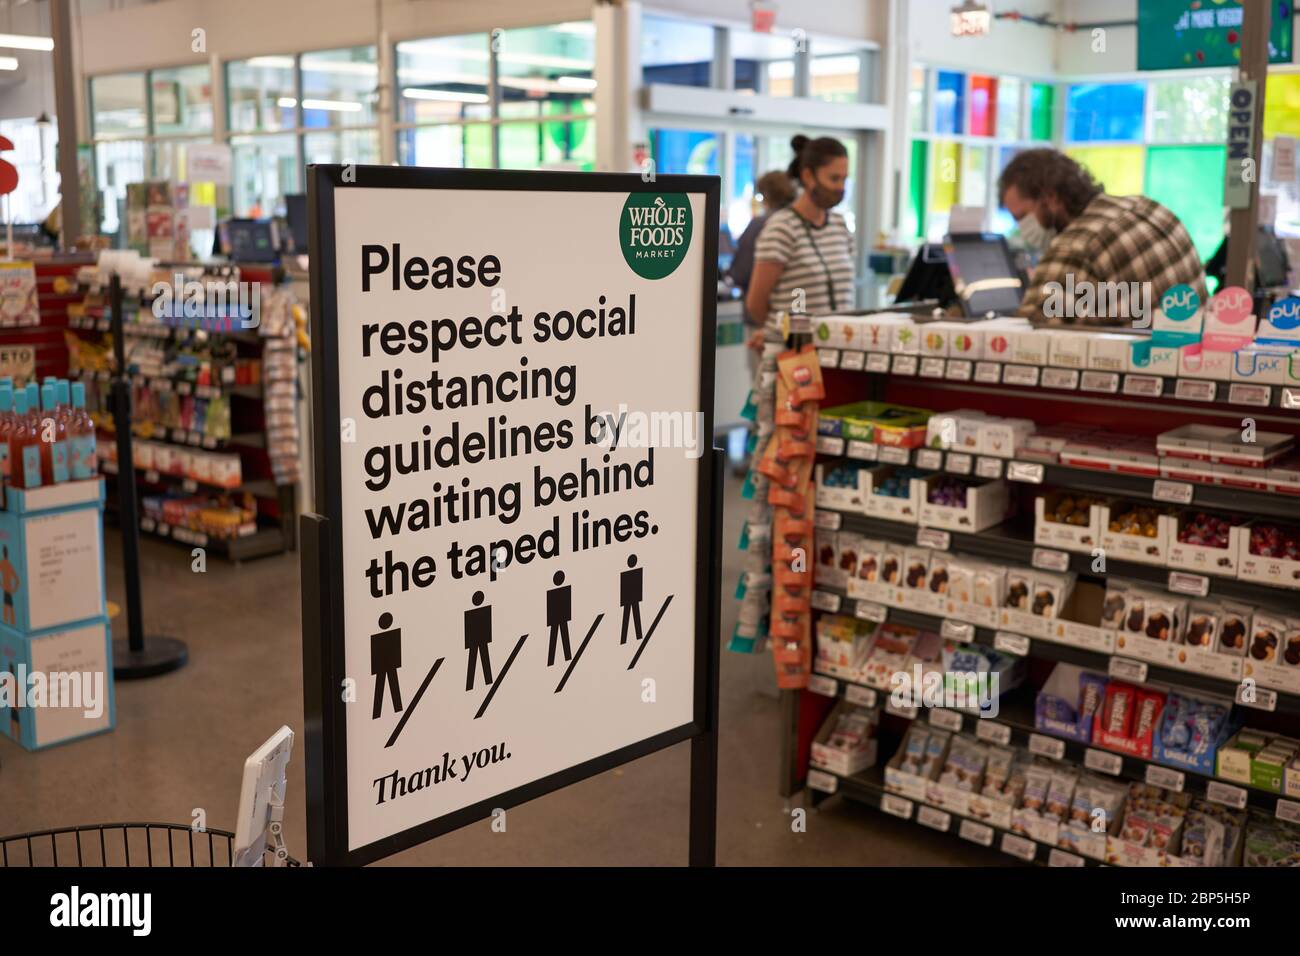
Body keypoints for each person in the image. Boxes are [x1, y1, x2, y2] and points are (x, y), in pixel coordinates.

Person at [998, 148, 1207, 324]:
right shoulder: (1147, 207)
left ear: (1051, 198)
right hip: (1195, 357)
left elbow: (1026, 338)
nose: (1021, 228)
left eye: (1023, 216)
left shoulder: (1074, 246)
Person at [746, 135, 854, 329]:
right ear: (808, 177)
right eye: (834, 178)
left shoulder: (839, 225)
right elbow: (756, 304)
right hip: (794, 353)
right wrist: (783, 335)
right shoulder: (782, 228)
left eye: (844, 179)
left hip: (835, 349)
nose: (841, 187)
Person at [728, 170, 797, 306]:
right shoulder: (800, 221)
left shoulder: (760, 224)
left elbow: (740, 273)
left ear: (766, 195)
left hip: (765, 313)